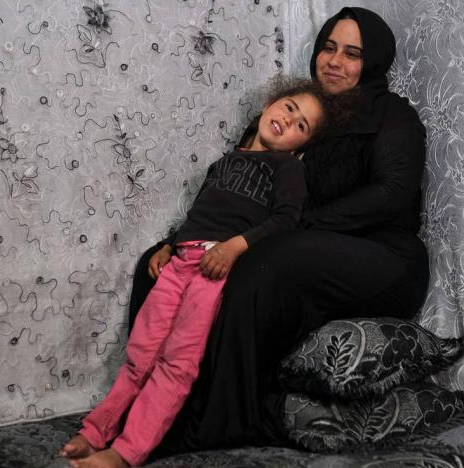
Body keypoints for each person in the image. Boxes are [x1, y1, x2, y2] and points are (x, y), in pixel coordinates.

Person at [134, 6, 430, 455]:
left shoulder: (392, 115)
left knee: (266, 261)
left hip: (384, 258)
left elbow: (390, 194)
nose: (334, 61)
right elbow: (239, 192)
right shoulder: (301, 115)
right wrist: (179, 242)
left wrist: (289, 229)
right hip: (302, 244)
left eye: (352, 54)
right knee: (161, 263)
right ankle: (147, 409)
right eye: (328, 48)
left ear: (373, 63)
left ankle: (222, 423)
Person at [59, 79, 336, 468]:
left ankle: (126, 453)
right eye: (289, 107)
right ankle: (95, 433)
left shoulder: (287, 167)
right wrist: (169, 245)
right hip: (180, 262)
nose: (289, 120)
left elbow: (286, 220)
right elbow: (199, 215)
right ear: (271, 104)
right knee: (141, 352)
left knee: (177, 363)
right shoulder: (223, 164)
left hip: (214, 270)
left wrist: (235, 247)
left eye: (301, 125)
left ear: (300, 146)